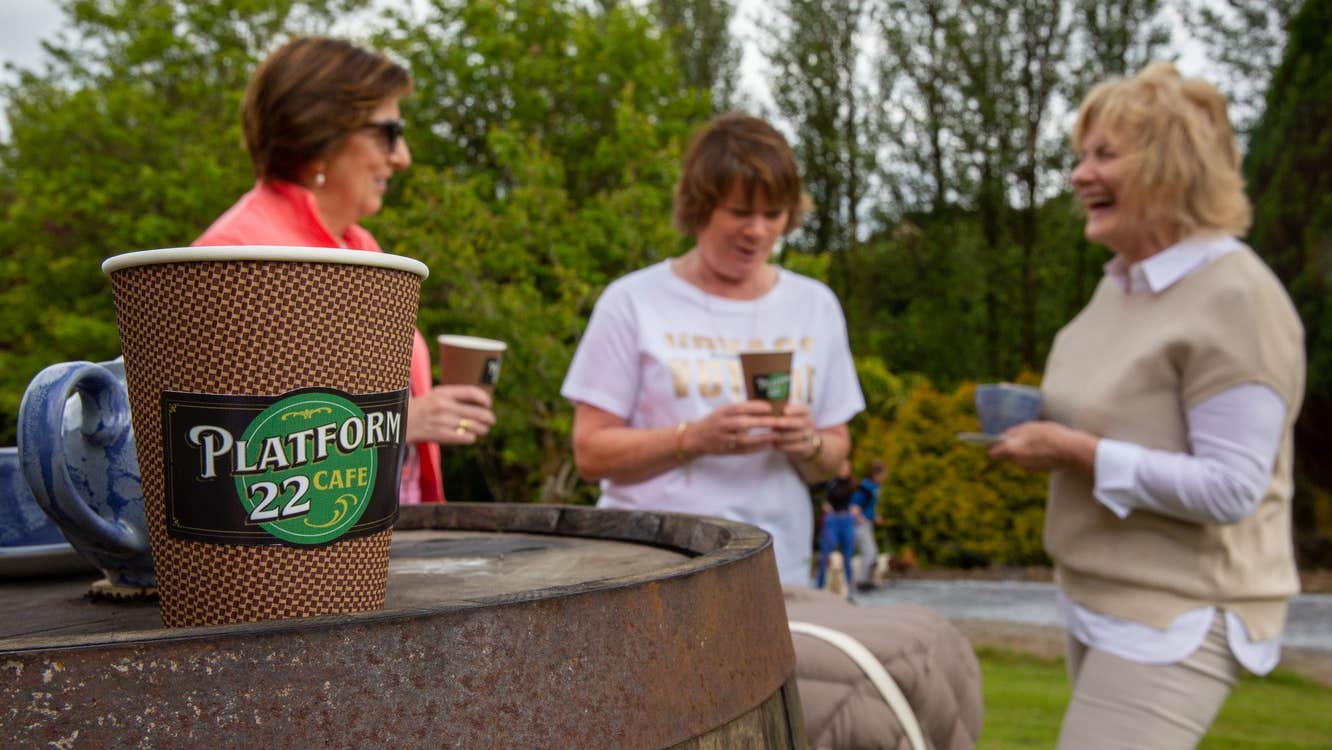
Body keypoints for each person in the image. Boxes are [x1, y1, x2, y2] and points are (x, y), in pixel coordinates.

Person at [988, 62, 1305, 750]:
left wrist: (1074, 452)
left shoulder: (1236, 299)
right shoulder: (1123, 285)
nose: (1078, 175)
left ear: (1173, 164)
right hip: (1096, 594)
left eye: (1105, 155)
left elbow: (1232, 489)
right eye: (1080, 156)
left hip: (1180, 612)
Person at [561, 113, 865, 585]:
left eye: (773, 214)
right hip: (649, 565)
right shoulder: (633, 301)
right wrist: (692, 438)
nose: (758, 232)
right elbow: (590, 453)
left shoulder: (815, 305)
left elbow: (835, 453)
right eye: (741, 213)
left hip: (775, 568)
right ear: (701, 206)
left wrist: (809, 444)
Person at [194, 36, 495, 504]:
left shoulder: (356, 245)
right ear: (319, 134)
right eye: (387, 133)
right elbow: (225, 449)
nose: (403, 157)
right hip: (298, 566)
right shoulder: (235, 258)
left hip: (383, 542)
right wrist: (405, 422)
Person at [850, 459, 887, 591]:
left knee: (870, 552)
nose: (884, 477)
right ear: (876, 474)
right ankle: (861, 581)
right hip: (861, 525)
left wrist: (875, 516)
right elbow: (854, 505)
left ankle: (864, 579)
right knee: (869, 552)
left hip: (868, 523)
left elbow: (869, 506)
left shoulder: (874, 487)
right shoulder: (865, 488)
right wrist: (861, 518)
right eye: (883, 474)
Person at [816, 477, 856, 592]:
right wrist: (825, 504)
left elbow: (857, 500)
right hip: (832, 518)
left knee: (847, 556)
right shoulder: (830, 482)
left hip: (846, 518)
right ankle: (821, 587)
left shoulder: (852, 483)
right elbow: (821, 494)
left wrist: (855, 508)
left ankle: (847, 588)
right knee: (827, 554)